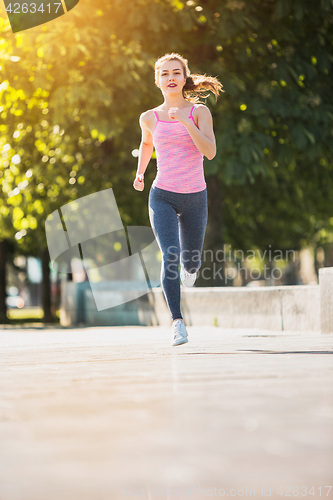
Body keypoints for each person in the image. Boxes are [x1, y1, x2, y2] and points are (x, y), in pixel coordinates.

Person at [133, 52, 223, 346]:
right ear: (158, 81)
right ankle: (177, 322)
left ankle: (190, 269)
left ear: (184, 78)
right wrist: (140, 173)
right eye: (164, 74)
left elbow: (209, 152)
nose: (170, 77)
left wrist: (186, 122)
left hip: (195, 196)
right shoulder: (149, 117)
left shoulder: (199, 113)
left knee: (190, 262)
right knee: (169, 254)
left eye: (176, 72)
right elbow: (147, 143)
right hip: (162, 195)